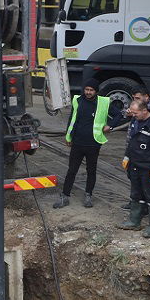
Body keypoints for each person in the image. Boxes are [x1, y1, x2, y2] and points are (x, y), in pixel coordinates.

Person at [56, 79, 112, 208]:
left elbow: (118, 115)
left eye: (91, 90)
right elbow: (72, 119)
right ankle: (65, 196)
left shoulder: (103, 102)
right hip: (78, 142)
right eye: (86, 90)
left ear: (96, 91)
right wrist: (68, 136)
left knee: (91, 170)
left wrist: (111, 126)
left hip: (93, 143)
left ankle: (88, 195)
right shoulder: (78, 100)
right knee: (72, 170)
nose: (88, 92)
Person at [117, 99, 150, 238]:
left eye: (136, 113)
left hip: (148, 167)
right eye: (132, 113)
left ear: (145, 110)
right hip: (134, 165)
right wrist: (127, 156)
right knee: (136, 193)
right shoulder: (135, 121)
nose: (133, 115)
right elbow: (132, 140)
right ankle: (134, 221)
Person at [119, 88, 150, 209]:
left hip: (143, 153)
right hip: (133, 150)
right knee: (133, 177)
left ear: (146, 97)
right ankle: (136, 202)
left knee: (144, 181)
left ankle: (144, 206)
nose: (135, 100)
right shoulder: (137, 110)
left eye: (137, 98)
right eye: (133, 98)